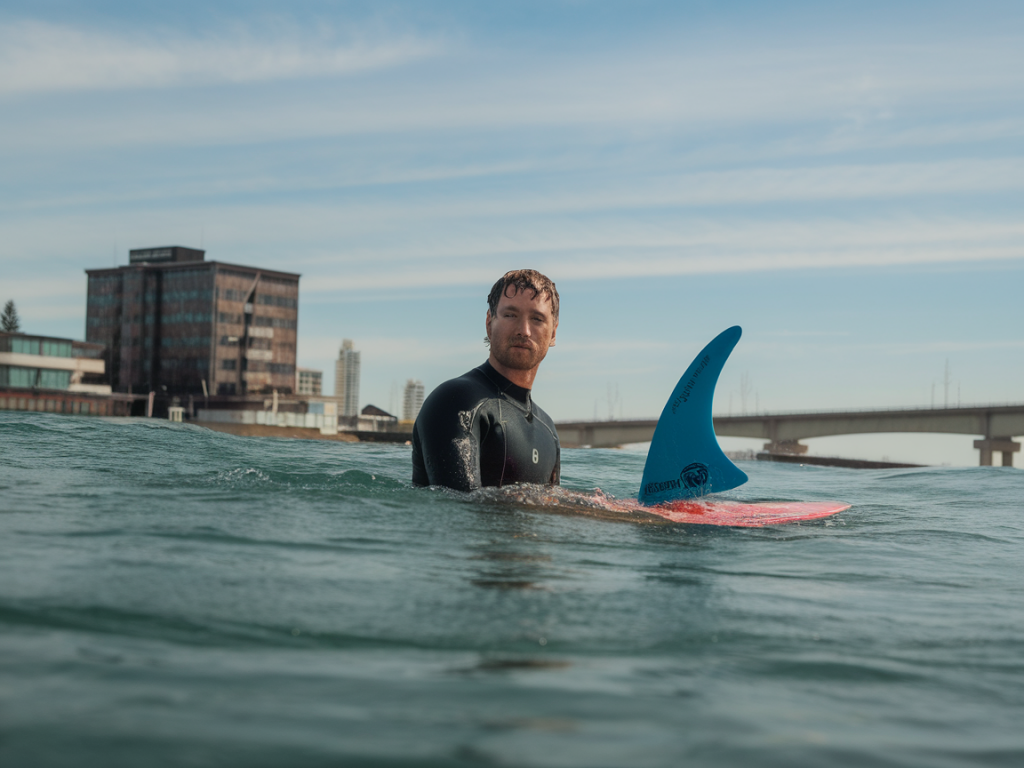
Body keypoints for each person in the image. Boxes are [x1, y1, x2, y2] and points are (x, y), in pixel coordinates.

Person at [412, 269, 561, 491]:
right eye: (511, 315)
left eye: (537, 319)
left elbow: (551, 510)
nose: (524, 330)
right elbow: (460, 506)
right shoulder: (457, 401)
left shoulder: (548, 430)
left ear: (553, 333)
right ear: (489, 323)